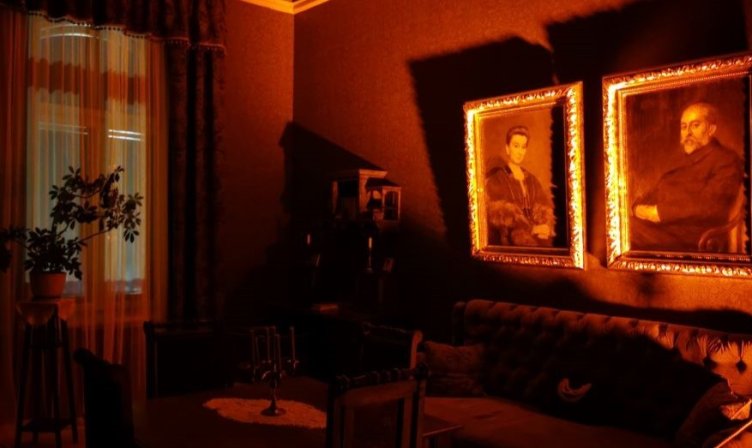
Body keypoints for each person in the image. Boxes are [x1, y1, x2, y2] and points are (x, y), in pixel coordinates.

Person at [631, 102, 744, 252]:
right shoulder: (681, 160)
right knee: (623, 225)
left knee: (625, 230)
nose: (688, 132)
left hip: (695, 238)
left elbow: (712, 205)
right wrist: (637, 207)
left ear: (711, 129)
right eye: (684, 127)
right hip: (663, 228)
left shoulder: (726, 159)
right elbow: (656, 190)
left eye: (695, 125)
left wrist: (658, 213)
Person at [485, 125, 555, 246]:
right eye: (516, 146)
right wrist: (531, 229)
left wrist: (545, 226)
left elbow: (544, 207)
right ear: (507, 148)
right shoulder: (497, 178)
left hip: (537, 236)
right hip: (510, 241)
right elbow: (500, 215)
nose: (520, 151)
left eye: (523, 147)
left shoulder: (532, 180)